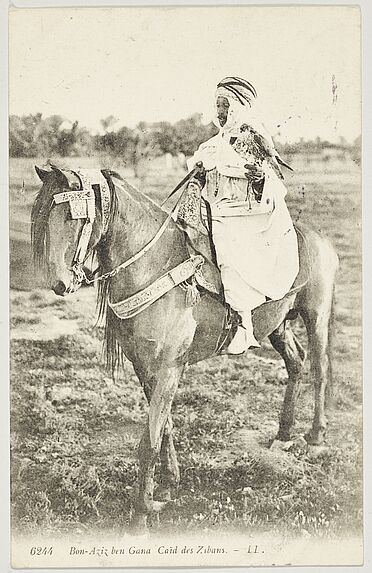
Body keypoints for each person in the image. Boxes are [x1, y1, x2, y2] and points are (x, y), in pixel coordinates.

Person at [186, 76, 299, 354]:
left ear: (238, 107)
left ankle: (243, 325)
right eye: (217, 106)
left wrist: (260, 178)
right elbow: (204, 175)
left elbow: (272, 183)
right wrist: (198, 177)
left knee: (226, 241)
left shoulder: (254, 136)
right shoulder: (213, 145)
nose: (221, 112)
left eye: (225, 105)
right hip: (216, 207)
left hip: (249, 214)